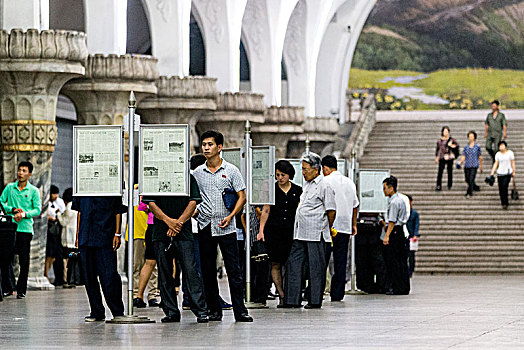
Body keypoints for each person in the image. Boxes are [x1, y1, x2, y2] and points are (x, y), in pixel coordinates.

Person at [192, 130, 252, 322]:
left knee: (234, 270)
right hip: (205, 225)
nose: (206, 148)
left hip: (227, 227)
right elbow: (194, 198)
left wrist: (231, 216)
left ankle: (240, 311)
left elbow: (242, 197)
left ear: (219, 147)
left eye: (210, 144)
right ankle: (214, 310)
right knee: (208, 271)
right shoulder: (197, 173)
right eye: (204, 145)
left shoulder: (231, 170)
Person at [142, 174, 209, 323]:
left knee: (190, 271)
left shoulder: (187, 176)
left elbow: (193, 202)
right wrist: (168, 221)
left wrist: (178, 223)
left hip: (183, 232)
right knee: (164, 273)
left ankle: (200, 310)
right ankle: (171, 310)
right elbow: (150, 203)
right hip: (161, 231)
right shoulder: (153, 176)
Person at [283, 153, 336, 309]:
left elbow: (331, 210)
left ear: (316, 169)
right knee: (294, 264)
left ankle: (314, 300)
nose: (303, 173)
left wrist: (325, 226)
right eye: (302, 169)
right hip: (300, 232)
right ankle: (292, 299)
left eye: (306, 169)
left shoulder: (324, 186)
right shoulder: (307, 184)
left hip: (315, 232)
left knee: (315, 267)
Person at [72, 196, 126, 322]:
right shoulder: (82, 187)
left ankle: (117, 311)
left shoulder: (110, 186)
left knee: (109, 275)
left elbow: (118, 211)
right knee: (89, 277)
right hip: (85, 236)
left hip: (105, 236)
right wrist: (78, 236)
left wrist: (117, 233)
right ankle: (96, 311)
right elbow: (79, 212)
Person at [258, 160, 302, 305]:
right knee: (275, 263)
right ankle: (281, 293)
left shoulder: (297, 190)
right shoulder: (272, 189)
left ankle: (292, 293)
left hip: (291, 231)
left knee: (291, 263)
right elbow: (266, 210)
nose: (280, 178)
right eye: (277, 175)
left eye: (283, 175)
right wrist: (261, 230)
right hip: (274, 231)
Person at [0, 161, 42, 299]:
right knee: (6, 259)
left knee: (24, 260)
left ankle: (21, 290)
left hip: (25, 229)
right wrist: (12, 210)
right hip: (9, 229)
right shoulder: (10, 188)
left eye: (24, 171)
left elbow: (37, 209)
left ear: (29, 174)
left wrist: (23, 214)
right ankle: (7, 288)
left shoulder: (33, 191)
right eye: (19, 170)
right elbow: (1, 202)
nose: (20, 173)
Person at [321, 155, 359, 302]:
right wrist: (353, 224)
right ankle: (337, 293)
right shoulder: (349, 183)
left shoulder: (325, 181)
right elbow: (355, 205)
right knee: (341, 261)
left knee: (323, 259)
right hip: (344, 226)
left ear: (325, 168)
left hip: (329, 226)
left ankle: (319, 290)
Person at [382, 176, 410, 295]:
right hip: (400, 231)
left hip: (395, 231)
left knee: (394, 261)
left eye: (385, 188)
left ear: (391, 188)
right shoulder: (401, 200)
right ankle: (403, 286)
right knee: (401, 260)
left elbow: (392, 221)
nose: (383, 191)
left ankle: (397, 286)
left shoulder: (394, 202)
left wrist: (387, 235)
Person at [131, 198, 160, 308]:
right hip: (140, 230)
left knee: (152, 265)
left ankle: (151, 295)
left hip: (152, 226)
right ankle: (137, 295)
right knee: (140, 264)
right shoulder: (134, 189)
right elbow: (142, 206)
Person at [56, 188, 78, 287]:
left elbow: (63, 222)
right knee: (72, 259)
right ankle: (73, 279)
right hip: (74, 239)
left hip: (68, 239)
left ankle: (67, 280)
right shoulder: (77, 207)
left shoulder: (69, 208)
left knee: (66, 259)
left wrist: (58, 214)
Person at [45, 185, 66, 285]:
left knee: (56, 255)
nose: (55, 196)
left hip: (58, 230)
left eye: (57, 193)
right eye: (53, 194)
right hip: (49, 229)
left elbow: (63, 213)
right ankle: (46, 274)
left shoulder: (60, 202)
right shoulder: (46, 203)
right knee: (49, 254)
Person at [490, 141, 516, 209]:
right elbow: (496, 163)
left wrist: (514, 171)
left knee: (505, 187)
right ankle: (503, 202)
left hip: (507, 173)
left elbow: (512, 162)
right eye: (500, 146)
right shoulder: (498, 154)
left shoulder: (510, 153)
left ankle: (506, 202)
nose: (501, 147)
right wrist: (492, 172)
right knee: (501, 188)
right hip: (500, 173)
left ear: (505, 146)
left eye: (502, 145)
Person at [459, 131, 483, 198]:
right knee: (467, 179)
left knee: (471, 178)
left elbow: (480, 156)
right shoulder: (466, 147)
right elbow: (464, 155)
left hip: (474, 165)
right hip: (467, 165)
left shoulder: (477, 147)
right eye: (469, 136)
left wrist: (481, 166)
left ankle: (469, 192)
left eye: (472, 136)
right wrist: (460, 162)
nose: (470, 138)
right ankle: (475, 186)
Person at [435, 126, 459, 191]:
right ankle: (438, 185)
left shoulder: (452, 140)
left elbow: (457, 146)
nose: (446, 133)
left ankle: (449, 184)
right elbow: (437, 149)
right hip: (442, 157)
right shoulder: (440, 141)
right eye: (444, 131)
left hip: (449, 157)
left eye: (447, 131)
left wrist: (451, 145)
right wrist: (436, 157)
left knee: (449, 171)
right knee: (440, 171)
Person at [405, 195, 420, 277]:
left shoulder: (414, 213)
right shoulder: (403, 212)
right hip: (404, 236)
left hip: (411, 237)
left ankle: (411, 270)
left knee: (411, 256)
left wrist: (415, 235)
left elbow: (416, 225)